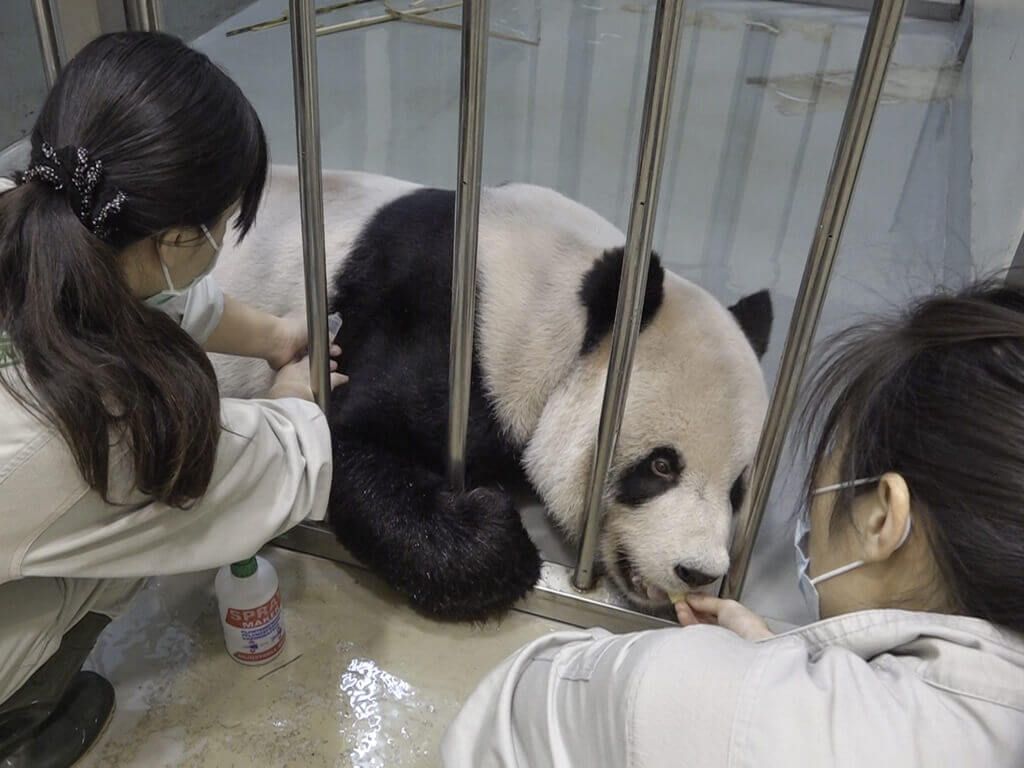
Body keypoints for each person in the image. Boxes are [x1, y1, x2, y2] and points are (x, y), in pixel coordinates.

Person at [442, 280, 1024, 767]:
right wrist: (791, 662)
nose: (715, 555)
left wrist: (743, 681)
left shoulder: (692, 700)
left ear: (881, 518)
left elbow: (511, 714)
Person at [0, 32, 346, 766]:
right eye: (224, 227)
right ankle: (18, 723)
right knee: (130, 546)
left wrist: (280, 336)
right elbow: (271, 467)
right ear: (179, 239)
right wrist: (298, 393)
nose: (224, 241)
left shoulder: (36, 211)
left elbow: (151, 296)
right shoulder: (103, 427)